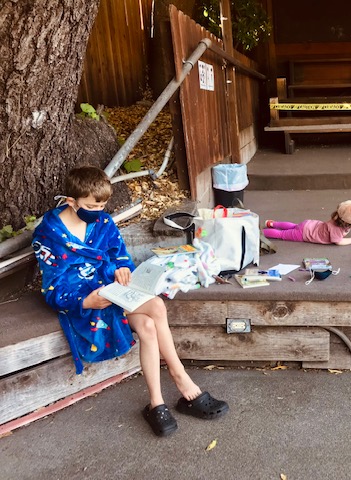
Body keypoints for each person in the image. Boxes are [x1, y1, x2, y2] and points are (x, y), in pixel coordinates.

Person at [31, 165, 228, 437]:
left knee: (154, 311)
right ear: (70, 202)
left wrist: (120, 268)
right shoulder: (48, 234)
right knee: (148, 323)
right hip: (82, 300)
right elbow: (52, 287)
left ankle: (164, 395)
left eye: (102, 206)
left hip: (113, 290)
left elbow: (119, 256)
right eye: (91, 206)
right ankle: (174, 387)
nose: (98, 213)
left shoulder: (102, 222)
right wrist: (86, 302)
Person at [263, 200, 351, 246]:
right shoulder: (336, 229)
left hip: (308, 224)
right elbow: (338, 242)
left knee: (294, 226)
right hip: (304, 234)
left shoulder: (338, 216)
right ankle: (259, 232)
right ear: (347, 224)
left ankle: (273, 223)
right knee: (281, 235)